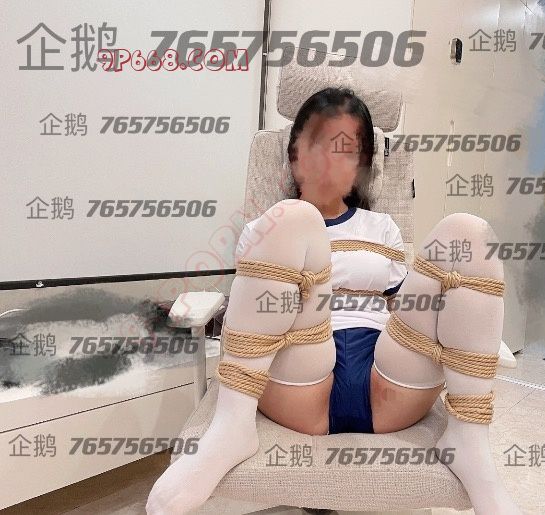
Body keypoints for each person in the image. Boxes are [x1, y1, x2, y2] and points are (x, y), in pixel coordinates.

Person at [147, 88, 520, 515]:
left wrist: (462, 326)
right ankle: (231, 429)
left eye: (346, 151)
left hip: (389, 380)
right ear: (295, 155)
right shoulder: (269, 227)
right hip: (297, 378)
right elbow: (253, 314)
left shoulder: (382, 228)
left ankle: (470, 442)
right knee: (294, 218)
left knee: (467, 232)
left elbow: (407, 308)